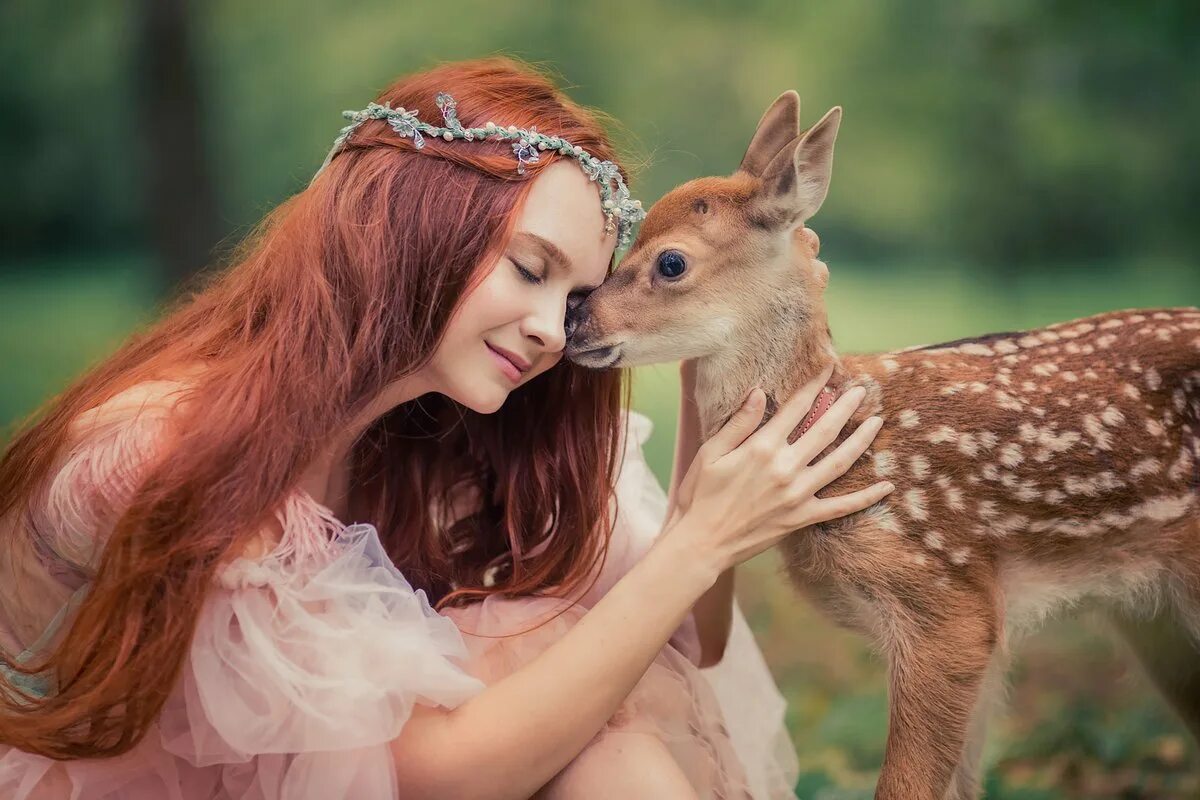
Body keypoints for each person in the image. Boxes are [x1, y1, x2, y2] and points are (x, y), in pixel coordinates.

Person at [0, 57, 892, 798]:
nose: (552, 329)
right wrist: (703, 539)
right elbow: (432, 777)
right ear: (411, 224)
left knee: (606, 734)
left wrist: (714, 326)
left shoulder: (437, 438)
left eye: (573, 297)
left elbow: (689, 636)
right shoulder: (158, 451)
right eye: (529, 269)